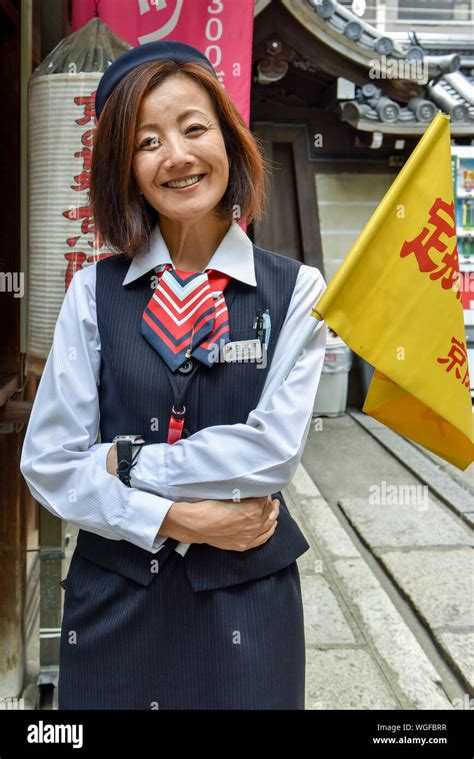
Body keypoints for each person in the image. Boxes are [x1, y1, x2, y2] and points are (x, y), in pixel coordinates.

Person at [20, 40, 328, 710]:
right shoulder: (91, 293)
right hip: (113, 603)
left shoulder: (297, 290)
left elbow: (270, 452)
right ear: (124, 170)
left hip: (246, 606)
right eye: (147, 141)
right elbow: (48, 462)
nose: (178, 156)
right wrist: (176, 517)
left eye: (194, 128)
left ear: (228, 138)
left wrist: (122, 463)